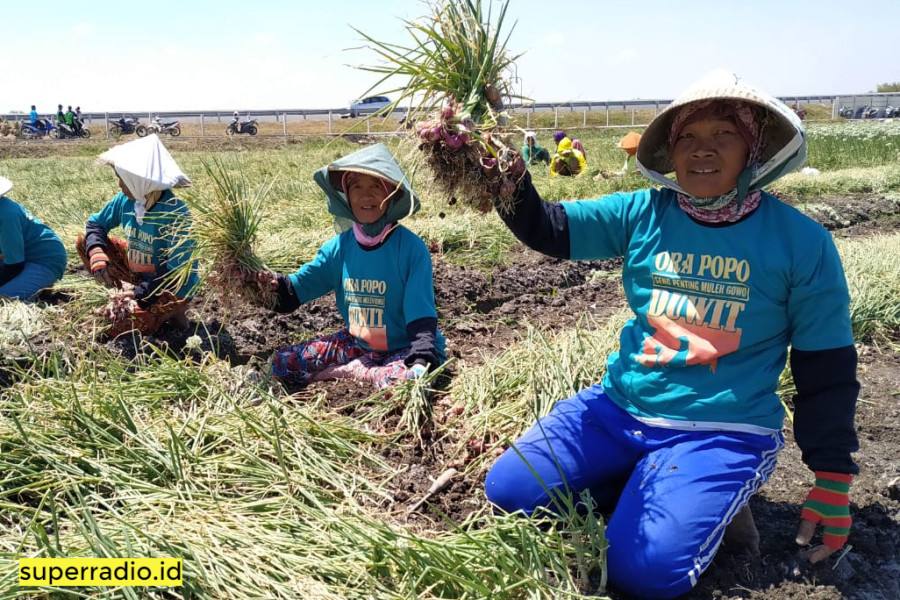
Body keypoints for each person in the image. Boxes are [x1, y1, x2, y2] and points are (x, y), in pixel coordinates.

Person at [483, 70, 858, 600]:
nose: (702, 150)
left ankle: (715, 501)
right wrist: (498, 164)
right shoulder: (643, 213)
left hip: (723, 429)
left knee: (642, 572)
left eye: (723, 135)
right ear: (670, 151)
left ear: (752, 149)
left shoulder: (801, 242)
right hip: (620, 409)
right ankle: (646, 476)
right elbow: (548, 227)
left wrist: (832, 476)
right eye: (687, 137)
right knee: (508, 494)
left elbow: (827, 366)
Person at [240, 143, 446, 390]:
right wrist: (265, 287)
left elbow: (421, 315)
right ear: (346, 196)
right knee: (282, 363)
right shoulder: (338, 248)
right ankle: (358, 368)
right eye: (356, 186)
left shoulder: (411, 249)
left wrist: (422, 359)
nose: (365, 196)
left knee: (401, 384)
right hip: (357, 344)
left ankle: (353, 371)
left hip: (405, 348)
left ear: (392, 194)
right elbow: (297, 290)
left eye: (376, 187)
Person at [75, 134, 198, 336]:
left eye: (122, 180)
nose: (120, 186)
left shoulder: (176, 214)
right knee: (84, 242)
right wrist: (97, 252)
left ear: (138, 180)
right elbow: (95, 223)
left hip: (169, 285)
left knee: (126, 327)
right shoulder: (126, 200)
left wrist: (138, 293)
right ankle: (122, 296)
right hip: (140, 274)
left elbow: (176, 274)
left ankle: (176, 312)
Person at [0, 176, 67, 301]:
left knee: (5, 299)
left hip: (43, 260)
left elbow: (14, 265)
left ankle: (41, 285)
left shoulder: (6, 215)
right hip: (16, 257)